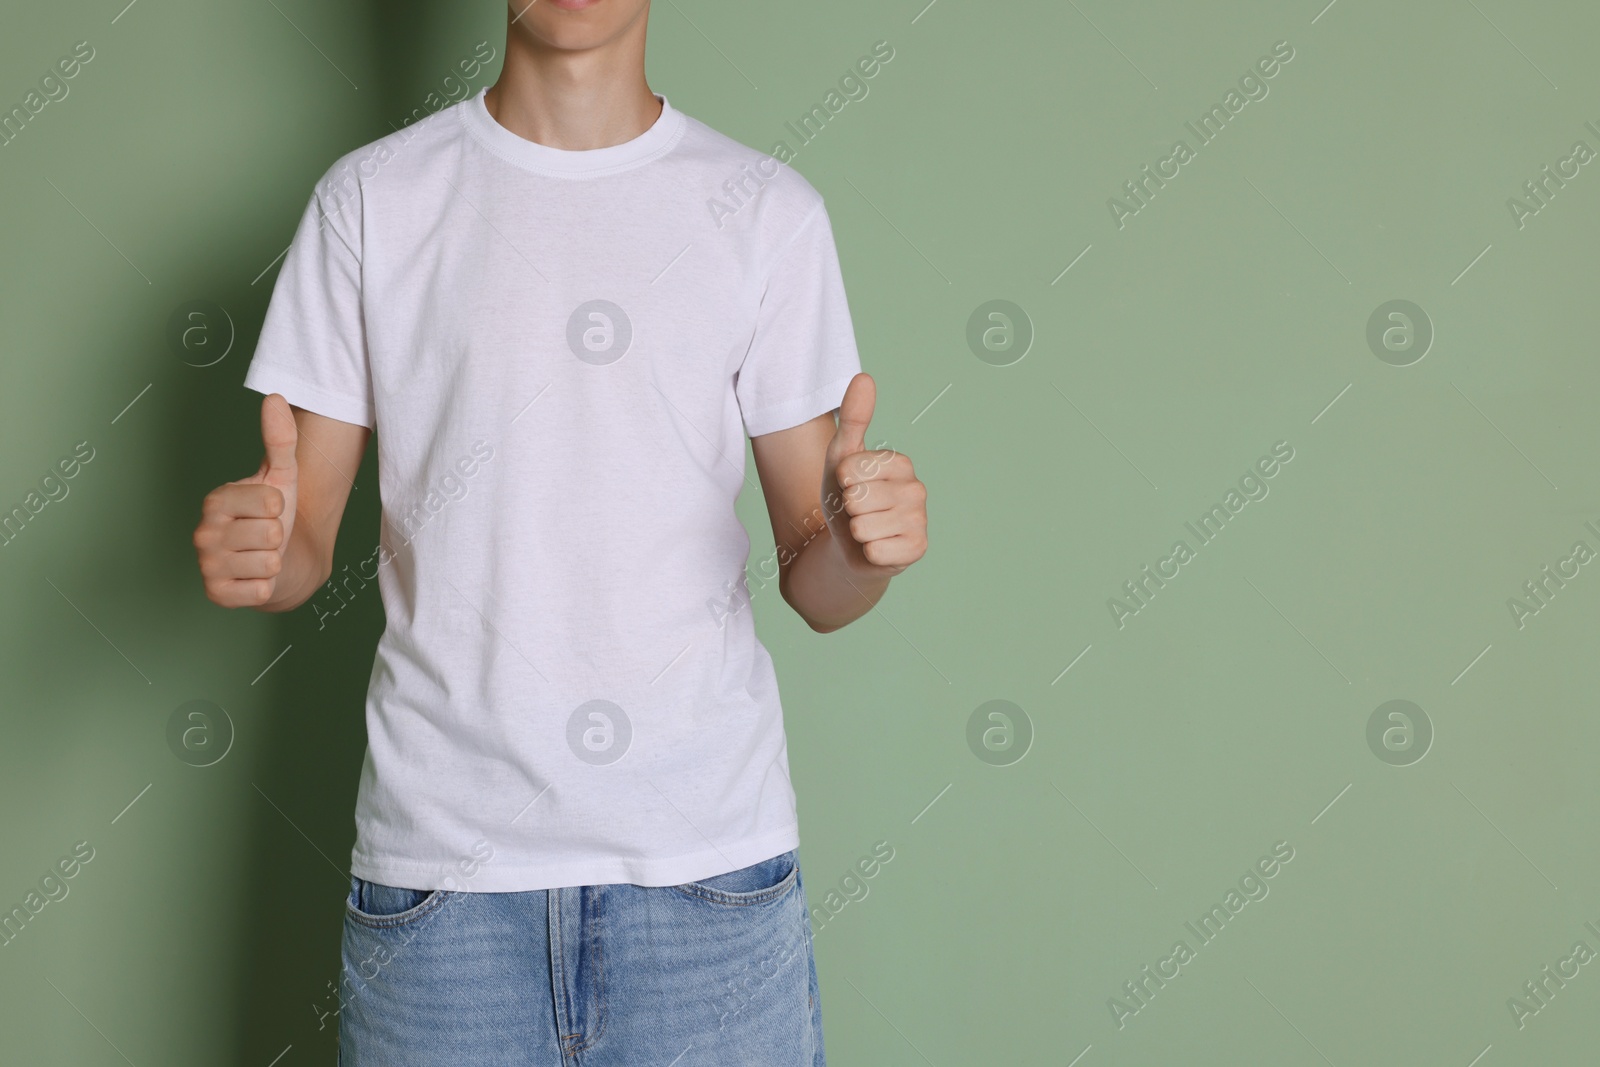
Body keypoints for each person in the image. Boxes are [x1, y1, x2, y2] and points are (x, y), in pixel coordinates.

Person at [191, 1, 928, 1062]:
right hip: (441, 891)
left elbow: (817, 580)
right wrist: (262, 549)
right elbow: (301, 538)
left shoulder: (768, 213)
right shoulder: (371, 201)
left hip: (707, 878)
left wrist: (860, 550)